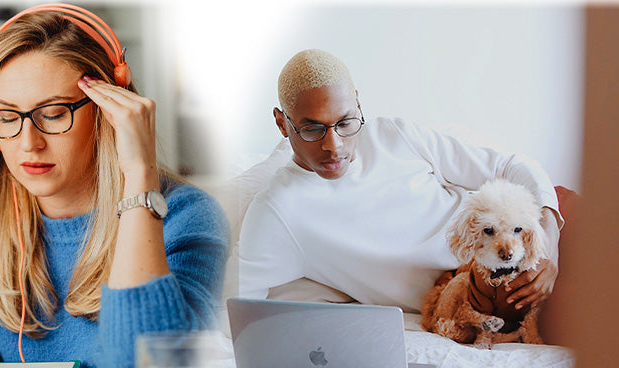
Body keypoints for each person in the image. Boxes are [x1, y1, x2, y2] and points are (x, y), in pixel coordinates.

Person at [0, 4, 229, 368]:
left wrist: (139, 179)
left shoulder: (185, 217)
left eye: (53, 113)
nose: (29, 143)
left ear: (109, 112)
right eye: (7, 116)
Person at [236, 49, 562, 319]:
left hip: (533, 245)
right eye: (312, 129)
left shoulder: (394, 136)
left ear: (358, 105)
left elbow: (512, 166)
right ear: (282, 123)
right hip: (471, 304)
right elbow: (230, 314)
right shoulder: (278, 211)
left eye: (346, 122)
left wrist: (550, 246)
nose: (333, 145)